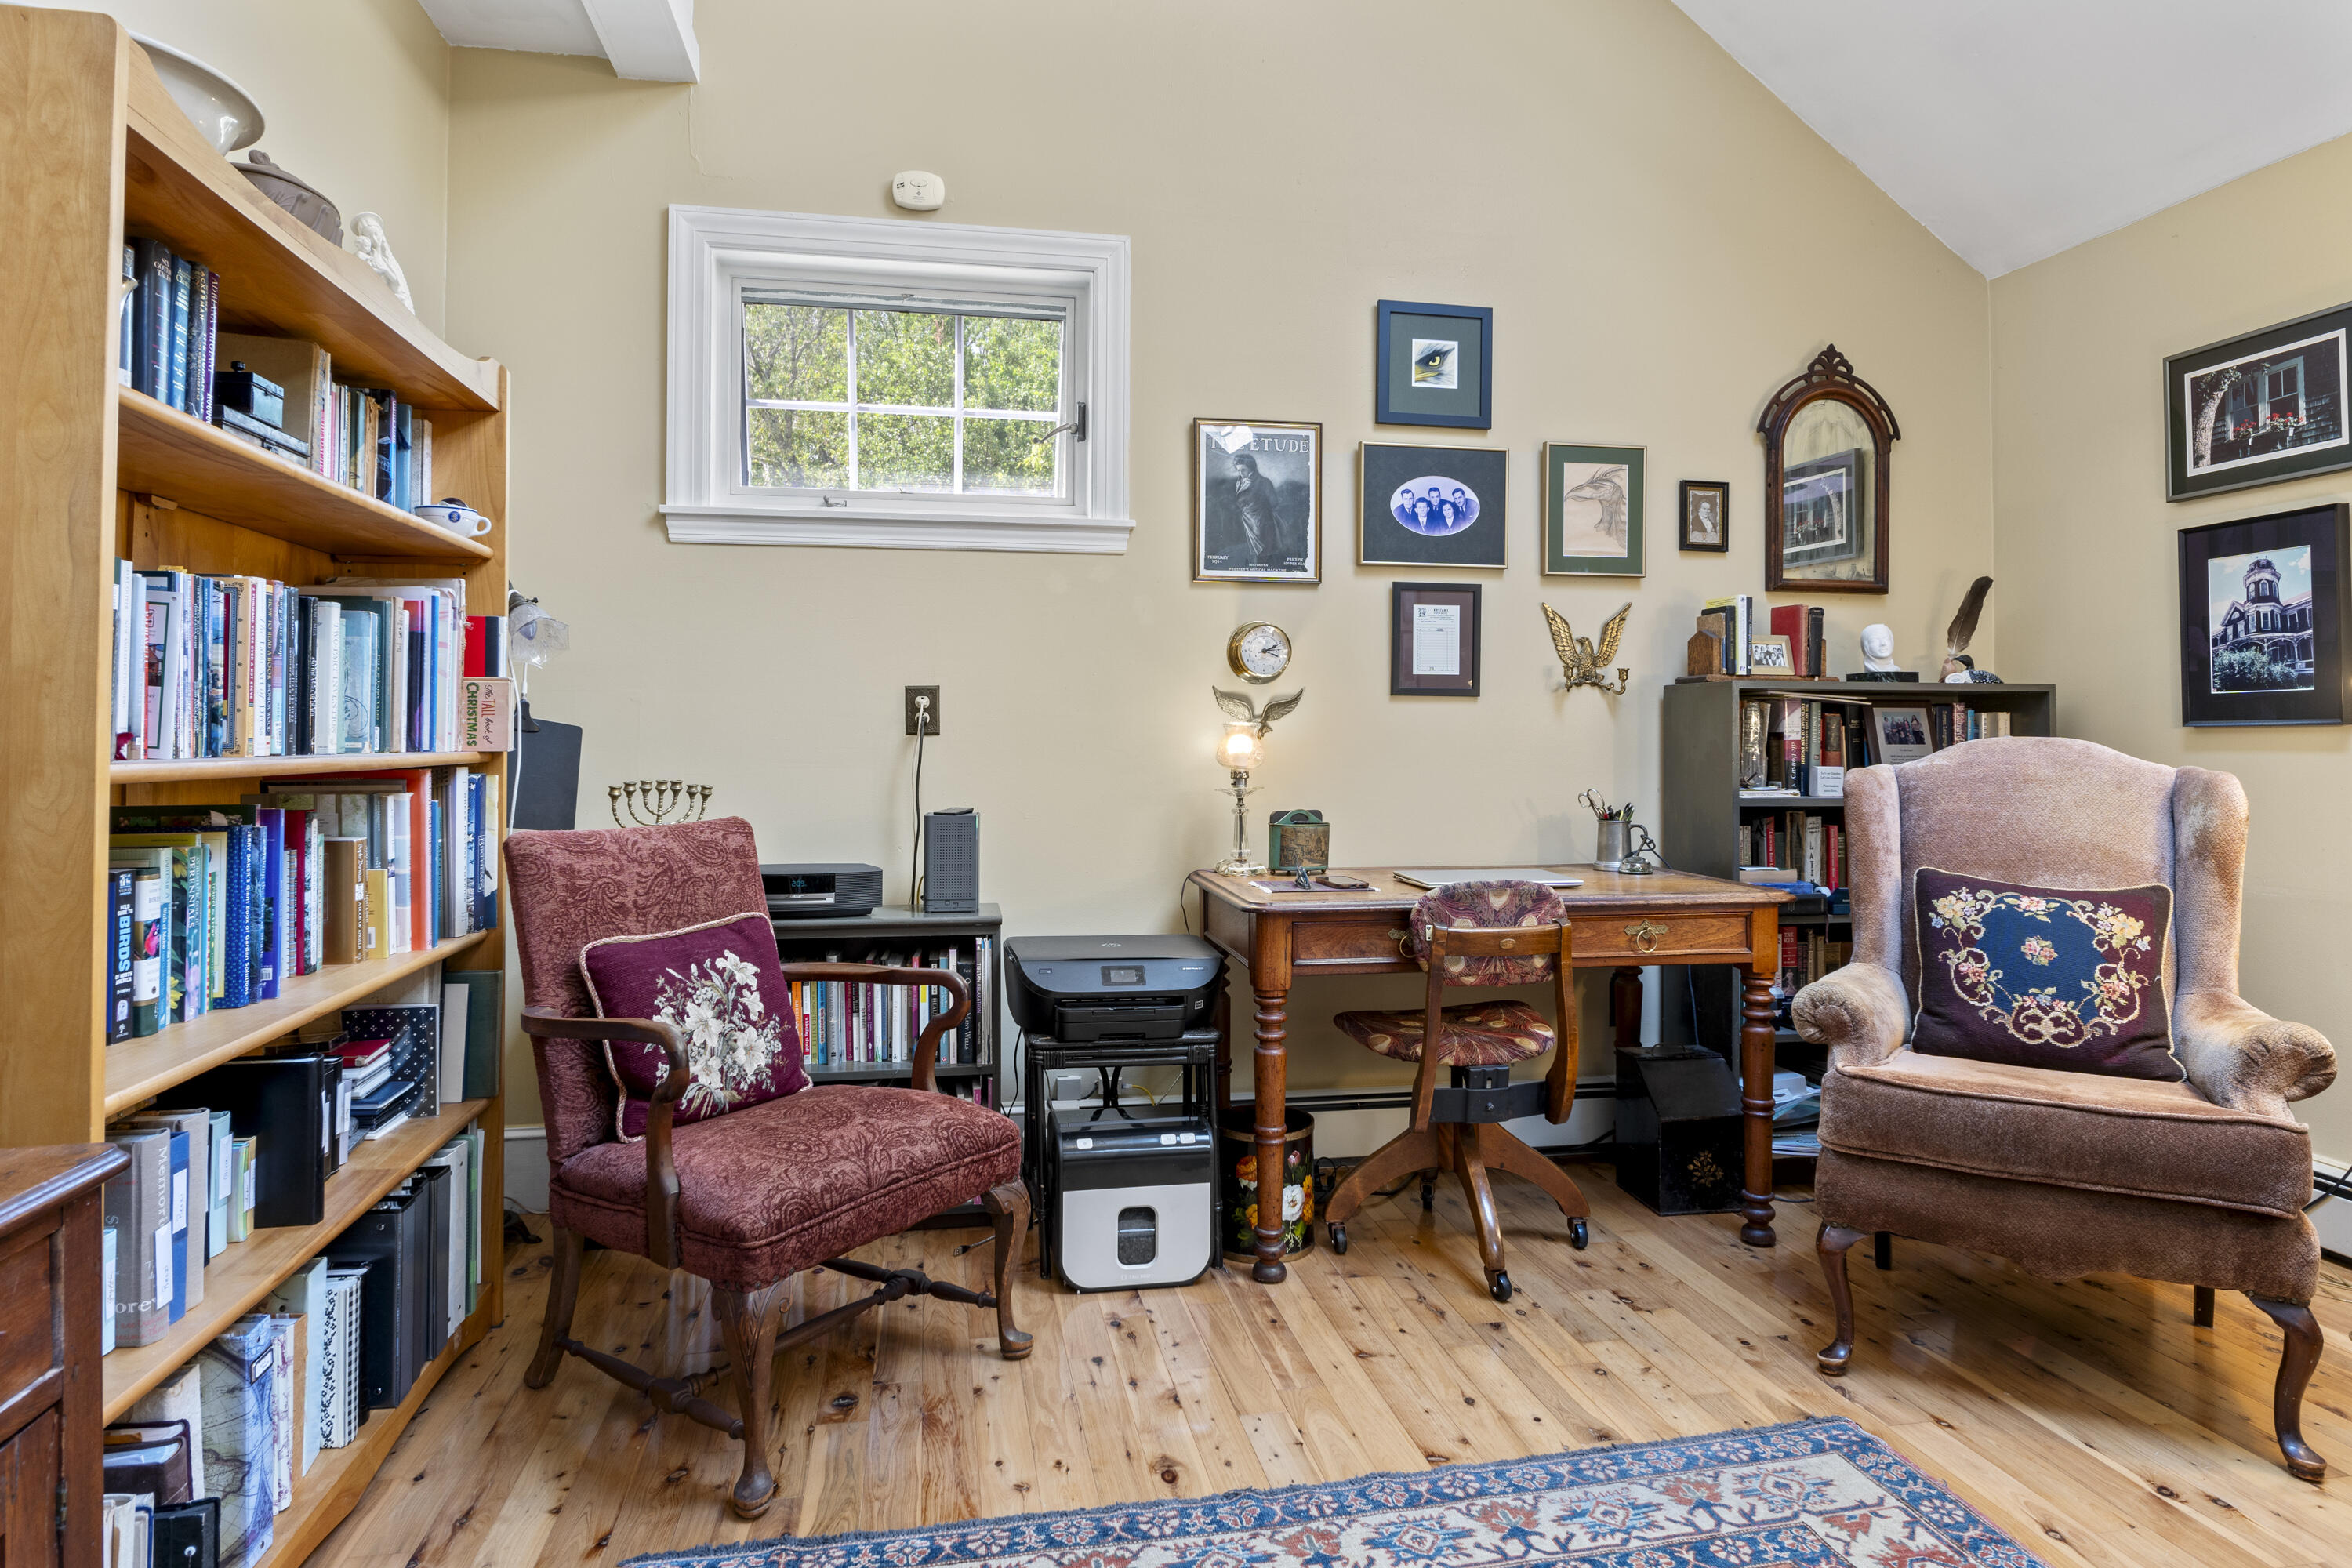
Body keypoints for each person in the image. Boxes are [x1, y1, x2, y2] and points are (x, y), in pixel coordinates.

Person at [1227, 452, 1283, 567]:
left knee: (1261, 557)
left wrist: (1258, 508)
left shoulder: (1264, 482)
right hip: (1245, 523)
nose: (1241, 473)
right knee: (1243, 556)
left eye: (1243, 470)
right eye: (1238, 470)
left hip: (1261, 524)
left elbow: (1274, 502)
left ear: (1251, 468)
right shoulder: (1240, 481)